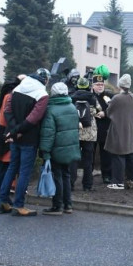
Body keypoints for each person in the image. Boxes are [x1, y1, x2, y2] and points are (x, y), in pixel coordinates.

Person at [0, 68, 51, 217]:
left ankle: (2, 201)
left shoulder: (18, 88)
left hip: (14, 136)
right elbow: (34, 118)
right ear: (45, 80)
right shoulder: (42, 94)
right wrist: (20, 130)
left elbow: (7, 110)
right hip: (29, 137)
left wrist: (14, 130)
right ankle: (19, 205)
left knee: (12, 167)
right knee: (25, 172)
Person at [39, 81, 81, 215]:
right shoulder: (72, 108)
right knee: (66, 175)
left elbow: (48, 133)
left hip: (57, 149)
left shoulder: (51, 109)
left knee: (57, 176)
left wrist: (45, 151)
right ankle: (68, 205)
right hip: (70, 148)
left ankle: (57, 206)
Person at [0, 76, 22, 209]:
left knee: (1, 169)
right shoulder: (10, 96)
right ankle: (0, 199)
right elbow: (8, 117)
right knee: (4, 169)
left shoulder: (6, 95)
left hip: (0, 133)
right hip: (5, 134)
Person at [104, 73, 133, 190]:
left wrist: (108, 102)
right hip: (130, 131)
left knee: (118, 156)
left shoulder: (117, 98)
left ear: (120, 85)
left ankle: (118, 182)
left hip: (119, 131)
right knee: (131, 156)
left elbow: (109, 112)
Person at [70, 75, 98, 192]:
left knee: (73, 160)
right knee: (88, 160)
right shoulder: (92, 98)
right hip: (89, 133)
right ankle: (87, 185)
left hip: (75, 132)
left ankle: (70, 184)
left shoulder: (72, 97)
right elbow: (95, 111)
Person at [91, 71, 113, 185]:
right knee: (90, 153)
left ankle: (107, 176)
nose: (100, 86)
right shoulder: (89, 96)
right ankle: (88, 175)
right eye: (98, 84)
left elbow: (114, 109)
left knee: (106, 155)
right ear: (93, 86)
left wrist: (105, 113)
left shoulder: (109, 96)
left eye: (102, 84)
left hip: (105, 129)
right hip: (92, 130)